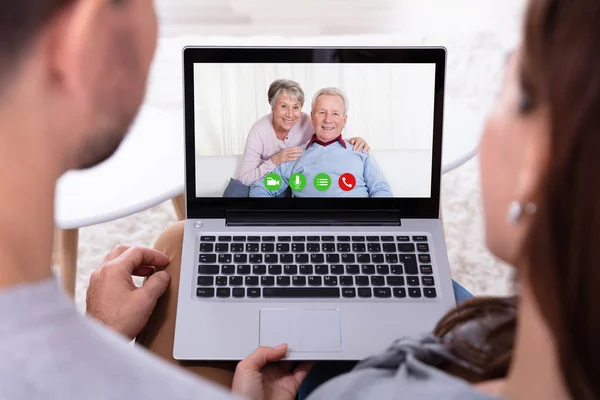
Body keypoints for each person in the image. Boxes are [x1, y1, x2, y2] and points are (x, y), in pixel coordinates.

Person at [92, 0, 600, 399]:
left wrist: (99, 342)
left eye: (510, 88)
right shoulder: (295, 148)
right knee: (189, 237)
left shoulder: (361, 158)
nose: (324, 120)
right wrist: (276, 174)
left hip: (332, 337)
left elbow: (383, 194)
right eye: (318, 113)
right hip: (305, 243)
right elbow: (263, 191)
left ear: (540, 163)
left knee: (178, 243)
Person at [249, 87, 393, 198]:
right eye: (322, 112)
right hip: (311, 229)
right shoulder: (295, 155)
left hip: (356, 227)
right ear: (312, 117)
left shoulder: (359, 151)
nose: (328, 119)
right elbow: (260, 189)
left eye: (335, 113)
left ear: (344, 120)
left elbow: (381, 191)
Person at [237, 79, 371, 186]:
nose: (290, 114)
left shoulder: (308, 121)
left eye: (296, 107)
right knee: (235, 190)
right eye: (284, 106)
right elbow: (244, 179)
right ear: (273, 108)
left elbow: (330, 135)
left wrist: (353, 141)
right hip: (273, 179)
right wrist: (274, 161)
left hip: (297, 180)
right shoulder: (259, 131)